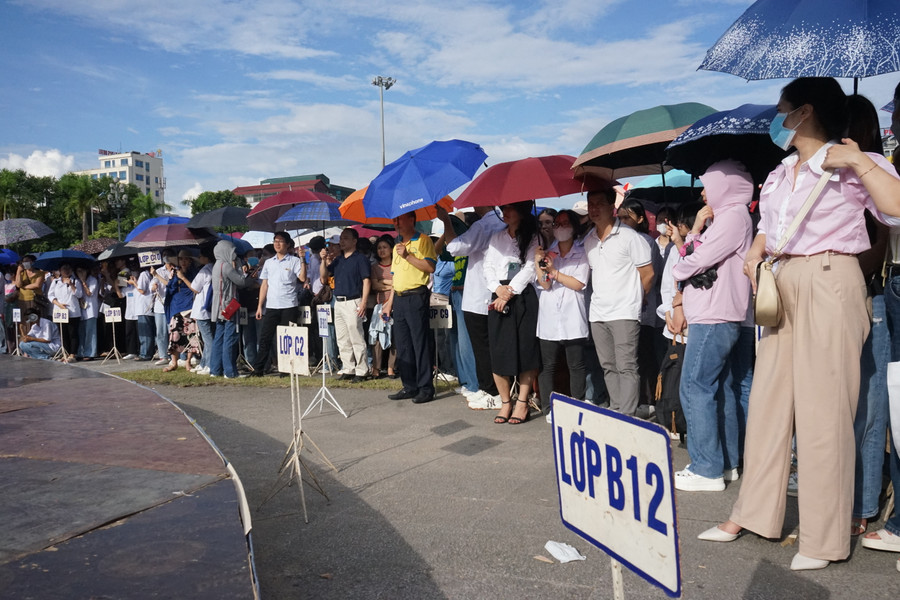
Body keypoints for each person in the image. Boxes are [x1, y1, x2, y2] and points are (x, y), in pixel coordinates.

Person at [700, 77, 900, 572]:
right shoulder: (780, 172)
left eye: (782, 108)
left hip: (832, 278)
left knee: (824, 411)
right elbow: (769, 228)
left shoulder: (853, 160)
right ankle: (752, 513)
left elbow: (896, 208)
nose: (777, 117)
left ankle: (823, 537)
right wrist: (755, 252)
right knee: (768, 403)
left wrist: (857, 161)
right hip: (782, 281)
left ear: (804, 111)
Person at [670, 160, 754, 492]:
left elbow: (695, 260)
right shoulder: (731, 216)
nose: (704, 194)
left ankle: (706, 468)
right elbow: (697, 252)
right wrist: (695, 232)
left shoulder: (732, 216)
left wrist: (680, 267)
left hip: (714, 313)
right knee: (720, 388)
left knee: (695, 387)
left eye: (708, 186)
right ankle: (727, 462)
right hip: (718, 313)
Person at [584, 188, 653, 417]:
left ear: (612, 206)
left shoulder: (630, 237)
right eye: (590, 204)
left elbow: (648, 274)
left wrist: (636, 299)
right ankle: (616, 410)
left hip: (624, 312)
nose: (593, 208)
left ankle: (627, 415)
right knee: (608, 366)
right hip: (598, 313)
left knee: (627, 366)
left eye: (598, 203)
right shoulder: (589, 240)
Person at [438, 204, 506, 409]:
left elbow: (455, 247)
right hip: (491, 291)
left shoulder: (484, 225)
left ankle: (491, 391)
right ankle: (489, 388)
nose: (475, 205)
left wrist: (446, 221)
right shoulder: (500, 222)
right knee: (488, 346)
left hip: (479, 295)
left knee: (481, 347)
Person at [483, 201, 541, 424]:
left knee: (526, 350)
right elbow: (488, 266)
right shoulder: (496, 237)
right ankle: (506, 401)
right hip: (498, 294)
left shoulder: (533, 237)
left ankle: (522, 402)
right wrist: (497, 289)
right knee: (499, 350)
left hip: (522, 295)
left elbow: (530, 268)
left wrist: (509, 292)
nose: (505, 213)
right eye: (503, 208)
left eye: (510, 208)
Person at [533, 209, 590, 415]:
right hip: (549, 316)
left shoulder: (582, 253)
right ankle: (548, 409)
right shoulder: (548, 253)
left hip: (573, 315)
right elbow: (545, 284)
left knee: (576, 365)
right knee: (548, 366)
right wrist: (539, 263)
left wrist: (554, 271)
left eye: (565, 223)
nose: (560, 227)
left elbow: (578, 283)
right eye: (557, 224)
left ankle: (577, 406)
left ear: (574, 227)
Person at [384, 211, 437, 404]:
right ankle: (409, 385)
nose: (396, 222)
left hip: (416, 296)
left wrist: (407, 256)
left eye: (399, 218)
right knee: (403, 344)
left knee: (419, 343)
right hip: (399, 298)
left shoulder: (423, 240)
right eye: (394, 219)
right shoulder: (396, 246)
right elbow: (395, 278)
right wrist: (389, 303)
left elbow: (430, 267)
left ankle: (425, 388)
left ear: (412, 219)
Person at [250, 232, 306, 376]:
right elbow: (264, 285)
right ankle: (258, 369)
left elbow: (302, 278)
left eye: (281, 241)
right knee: (265, 337)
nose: (277, 244)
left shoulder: (294, 261)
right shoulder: (269, 262)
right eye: (275, 241)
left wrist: (302, 259)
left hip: (289, 304)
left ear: (287, 245)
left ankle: (287, 369)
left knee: (287, 338)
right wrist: (260, 306)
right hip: (272, 305)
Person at [321, 228, 371, 382]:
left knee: (356, 336)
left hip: (353, 301)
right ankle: (348, 367)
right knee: (342, 337)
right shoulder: (338, 260)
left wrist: (363, 302)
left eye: (346, 238)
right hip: (339, 301)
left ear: (354, 241)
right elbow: (324, 277)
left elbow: (366, 280)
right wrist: (323, 260)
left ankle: (362, 370)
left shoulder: (360, 259)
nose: (342, 241)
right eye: (341, 238)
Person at [209, 240, 251, 379]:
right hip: (229, 305)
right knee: (230, 338)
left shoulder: (217, 265)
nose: (234, 255)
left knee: (219, 338)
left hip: (218, 306)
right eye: (232, 252)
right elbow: (241, 282)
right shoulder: (226, 266)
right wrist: (247, 274)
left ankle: (215, 369)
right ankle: (230, 371)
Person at [162, 251, 201, 372]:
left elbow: (195, 288)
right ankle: (174, 362)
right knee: (174, 334)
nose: (183, 262)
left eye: (186, 259)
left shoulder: (194, 272)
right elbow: (170, 288)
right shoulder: (174, 272)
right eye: (181, 259)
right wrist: (174, 278)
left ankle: (188, 361)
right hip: (176, 306)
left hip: (189, 306)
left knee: (190, 335)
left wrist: (183, 277)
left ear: (190, 260)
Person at [369, 234, 396, 378]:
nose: (382, 250)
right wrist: (391, 284)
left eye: (385, 247)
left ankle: (391, 367)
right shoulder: (375, 267)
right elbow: (375, 285)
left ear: (391, 249)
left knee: (394, 336)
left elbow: (399, 283)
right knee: (377, 336)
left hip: (395, 304)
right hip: (380, 305)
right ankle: (376, 368)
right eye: (379, 248)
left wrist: (383, 282)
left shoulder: (397, 265)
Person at [47, 263, 83, 361]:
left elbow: (79, 294)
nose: (66, 271)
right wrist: (59, 304)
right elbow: (50, 295)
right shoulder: (55, 282)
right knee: (63, 333)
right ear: (60, 270)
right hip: (60, 311)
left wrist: (71, 285)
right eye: (64, 269)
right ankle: (65, 352)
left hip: (72, 311)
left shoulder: (75, 281)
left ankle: (73, 353)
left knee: (73, 333)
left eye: (68, 269)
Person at [75, 265, 100, 360]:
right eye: (78, 271)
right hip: (80, 310)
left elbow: (89, 293)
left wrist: (83, 282)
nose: (80, 273)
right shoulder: (76, 281)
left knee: (90, 332)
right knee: (81, 332)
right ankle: (81, 352)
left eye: (82, 271)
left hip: (91, 310)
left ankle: (90, 353)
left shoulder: (92, 280)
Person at [14, 255, 45, 319]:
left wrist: (24, 287)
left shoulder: (40, 273)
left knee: (35, 318)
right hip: (23, 299)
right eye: (24, 261)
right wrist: (18, 271)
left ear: (33, 262)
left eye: (28, 261)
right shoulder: (22, 274)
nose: (26, 263)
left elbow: (37, 285)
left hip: (36, 298)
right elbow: (18, 285)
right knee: (24, 319)